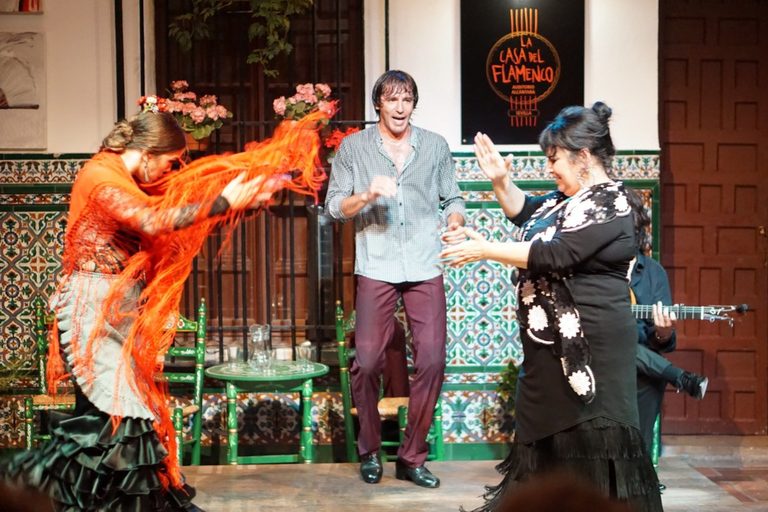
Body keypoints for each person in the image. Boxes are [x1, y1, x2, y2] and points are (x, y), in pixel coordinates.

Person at [0, 108, 301, 511]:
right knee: (119, 420)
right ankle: (18, 479)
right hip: (92, 312)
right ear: (147, 152)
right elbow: (153, 220)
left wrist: (243, 199)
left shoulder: (130, 178)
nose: (170, 170)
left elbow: (183, 207)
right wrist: (224, 200)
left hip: (118, 312)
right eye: (169, 160)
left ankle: (142, 502)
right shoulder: (101, 176)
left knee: (110, 424)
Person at [442, 103, 662, 512]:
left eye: (553, 158)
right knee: (546, 455)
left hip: (594, 354)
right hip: (548, 357)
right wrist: (500, 180)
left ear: (582, 157)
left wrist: (484, 249)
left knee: (593, 454)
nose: (549, 168)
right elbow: (525, 212)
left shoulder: (611, 203)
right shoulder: (566, 200)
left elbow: (558, 253)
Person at [325, 70, 466, 488]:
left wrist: (455, 221)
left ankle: (412, 455)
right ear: (378, 105)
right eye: (392, 100)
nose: (400, 107)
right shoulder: (353, 148)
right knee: (366, 362)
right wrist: (367, 195)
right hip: (378, 265)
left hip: (425, 265)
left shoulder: (435, 146)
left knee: (433, 360)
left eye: (407, 99)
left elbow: (453, 197)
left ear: (413, 104)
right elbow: (335, 207)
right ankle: (369, 450)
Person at [627, 189, 708, 456]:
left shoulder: (653, 273)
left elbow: (662, 342)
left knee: (648, 374)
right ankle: (681, 378)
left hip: (643, 367)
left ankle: (641, 477)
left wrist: (663, 331)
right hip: (601, 362)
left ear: (636, 224)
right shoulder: (595, 270)